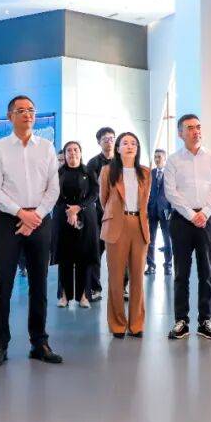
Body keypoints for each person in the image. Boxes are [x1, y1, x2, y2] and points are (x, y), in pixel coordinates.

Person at [0, 95, 62, 367]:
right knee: (3, 283)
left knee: (39, 284)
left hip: (40, 220)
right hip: (8, 221)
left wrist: (36, 215)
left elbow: (54, 187)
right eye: (21, 110)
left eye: (31, 110)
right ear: (10, 116)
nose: (27, 114)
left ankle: (39, 342)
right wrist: (21, 213)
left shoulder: (47, 147)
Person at [164, 114, 211, 341]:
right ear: (180, 133)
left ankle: (205, 321)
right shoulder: (173, 160)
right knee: (181, 273)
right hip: (181, 221)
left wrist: (205, 213)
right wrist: (191, 215)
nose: (196, 131)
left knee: (206, 272)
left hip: (207, 220)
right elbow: (171, 192)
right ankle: (181, 321)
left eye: (198, 127)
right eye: (190, 128)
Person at [99, 132, 151, 338]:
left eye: (134, 143)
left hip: (139, 225)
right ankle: (118, 324)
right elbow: (104, 199)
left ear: (137, 149)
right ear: (118, 148)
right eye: (125, 143)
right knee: (116, 277)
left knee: (137, 277)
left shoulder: (145, 172)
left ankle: (136, 324)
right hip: (116, 226)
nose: (130, 146)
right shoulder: (107, 171)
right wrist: (115, 215)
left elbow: (145, 201)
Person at [52, 141, 99, 309]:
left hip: (86, 216)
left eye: (76, 149)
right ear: (64, 154)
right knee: (65, 256)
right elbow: (53, 194)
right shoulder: (58, 173)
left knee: (84, 257)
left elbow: (94, 193)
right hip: (63, 216)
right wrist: (69, 211)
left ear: (81, 152)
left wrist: (78, 208)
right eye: (69, 150)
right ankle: (64, 296)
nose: (72, 153)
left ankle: (83, 296)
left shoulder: (89, 171)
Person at [85, 126, 116, 300]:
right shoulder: (93, 163)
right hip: (98, 215)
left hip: (118, 215)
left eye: (112, 138)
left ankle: (121, 288)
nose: (109, 142)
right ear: (99, 142)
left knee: (120, 253)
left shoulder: (121, 162)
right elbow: (91, 191)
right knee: (95, 252)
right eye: (105, 139)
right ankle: (95, 288)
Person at [145, 148, 173, 276]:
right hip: (151, 210)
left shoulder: (170, 174)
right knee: (150, 240)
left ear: (165, 158)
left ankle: (168, 266)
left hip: (166, 210)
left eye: (159, 157)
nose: (157, 159)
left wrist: (171, 210)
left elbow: (174, 193)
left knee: (167, 240)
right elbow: (146, 192)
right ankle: (151, 266)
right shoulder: (150, 173)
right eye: (155, 157)